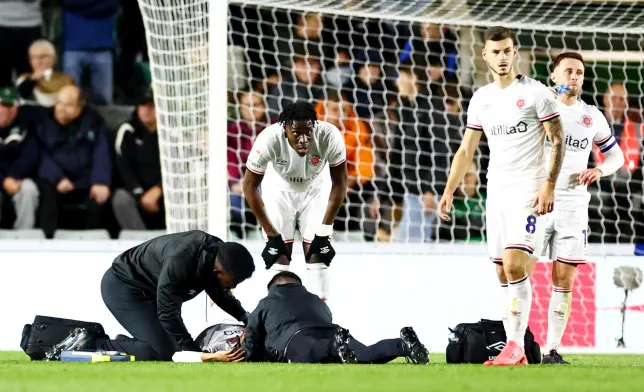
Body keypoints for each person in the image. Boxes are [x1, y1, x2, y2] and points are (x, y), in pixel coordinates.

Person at [437, 26, 566, 366]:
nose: (503, 57)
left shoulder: (537, 93)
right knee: (501, 273)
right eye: (496, 52)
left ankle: (516, 346)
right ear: (485, 56)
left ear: (515, 52)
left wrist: (549, 184)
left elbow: (557, 139)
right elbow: (466, 150)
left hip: (530, 192)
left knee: (513, 264)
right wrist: (449, 190)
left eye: (507, 50)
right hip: (497, 193)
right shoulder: (481, 99)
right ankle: (516, 346)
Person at [539, 52, 624, 364]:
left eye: (579, 73)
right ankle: (515, 343)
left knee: (565, 278)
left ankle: (550, 350)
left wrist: (600, 170)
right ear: (554, 76)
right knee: (516, 269)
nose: (574, 77)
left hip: (574, 205)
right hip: (536, 201)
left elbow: (617, 157)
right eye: (568, 71)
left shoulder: (592, 116)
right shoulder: (539, 102)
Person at [96, 230, 255, 361]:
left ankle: (127, 342)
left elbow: (220, 294)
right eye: (234, 281)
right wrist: (196, 353)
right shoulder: (180, 261)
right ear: (218, 272)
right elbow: (168, 313)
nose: (234, 286)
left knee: (167, 348)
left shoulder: (217, 256)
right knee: (160, 352)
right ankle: (96, 342)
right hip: (123, 286)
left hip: (150, 291)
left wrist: (248, 320)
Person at [243, 102, 348, 302]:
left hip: (316, 190)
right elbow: (249, 187)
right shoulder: (268, 139)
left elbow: (340, 184)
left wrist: (324, 232)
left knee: (318, 255)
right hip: (279, 191)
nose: (303, 140)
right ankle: (279, 313)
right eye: (296, 133)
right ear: (284, 130)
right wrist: (272, 235)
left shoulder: (329, 136)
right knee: (278, 257)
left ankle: (319, 321)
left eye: (308, 132)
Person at [241, 271, 429, 364]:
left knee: (312, 351)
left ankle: (335, 346)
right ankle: (404, 345)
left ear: (273, 288)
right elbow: (327, 317)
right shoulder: (316, 300)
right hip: (332, 331)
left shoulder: (266, 302)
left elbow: (252, 337)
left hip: (296, 336)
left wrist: (246, 355)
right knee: (365, 353)